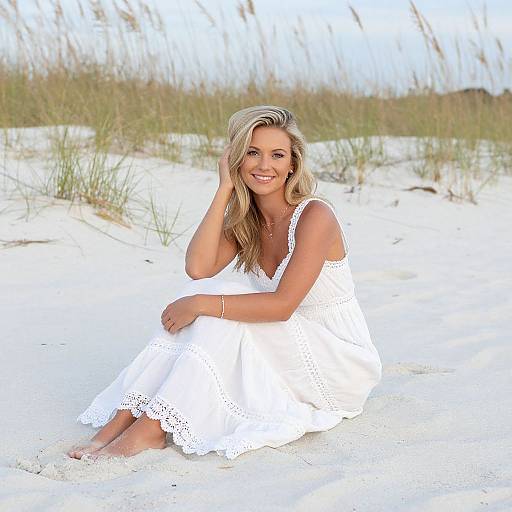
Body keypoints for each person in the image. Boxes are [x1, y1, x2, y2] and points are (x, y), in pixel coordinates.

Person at [67, 105, 382, 461]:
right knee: (203, 294)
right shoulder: (247, 221)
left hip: (337, 361)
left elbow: (282, 306)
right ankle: (130, 416)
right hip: (287, 344)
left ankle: (150, 428)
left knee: (212, 302)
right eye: (252, 153)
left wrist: (201, 304)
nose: (265, 166)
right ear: (236, 158)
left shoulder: (315, 215)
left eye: (277, 155)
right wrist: (224, 188)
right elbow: (198, 268)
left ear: (292, 164)